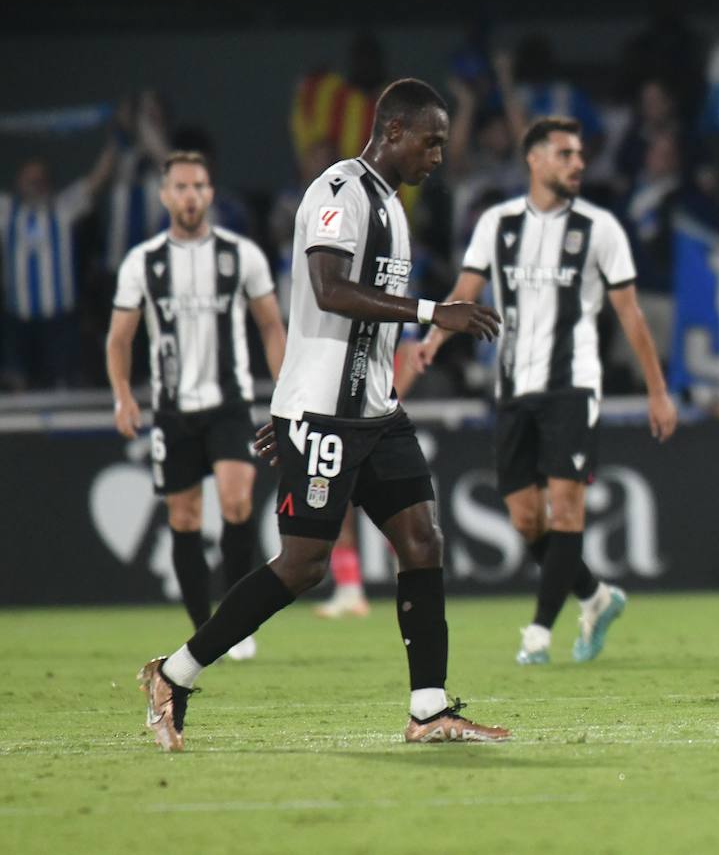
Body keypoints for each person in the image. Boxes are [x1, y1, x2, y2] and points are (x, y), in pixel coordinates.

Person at [137, 79, 508, 751]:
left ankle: (428, 711)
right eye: (430, 142)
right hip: (327, 415)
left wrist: (292, 408)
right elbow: (331, 290)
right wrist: (432, 312)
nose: (437, 156)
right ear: (392, 131)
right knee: (305, 565)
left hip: (372, 410)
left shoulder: (394, 207)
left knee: (422, 542)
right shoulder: (339, 192)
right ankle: (173, 673)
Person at [416, 116, 678, 666]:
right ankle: (597, 597)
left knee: (565, 512)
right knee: (526, 519)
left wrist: (658, 391)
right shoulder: (498, 223)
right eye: (565, 154)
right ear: (534, 160)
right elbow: (467, 288)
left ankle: (538, 632)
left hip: (572, 385)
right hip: (513, 387)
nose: (578, 163)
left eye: (580, 154)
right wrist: (434, 338)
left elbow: (629, 314)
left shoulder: (600, 228)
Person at [108, 151, 286, 660]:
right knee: (184, 518)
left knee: (237, 501)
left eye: (199, 186)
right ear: (165, 195)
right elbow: (120, 338)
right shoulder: (143, 262)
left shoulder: (239, 255)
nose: (190, 196)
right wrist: (123, 395)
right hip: (171, 410)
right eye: (181, 187)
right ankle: (203, 627)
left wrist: (285, 388)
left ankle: (236, 621)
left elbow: (271, 324)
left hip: (229, 403)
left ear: (210, 193)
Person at [1, 145, 116, 389]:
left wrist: (116, 141)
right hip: (18, 323)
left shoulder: (63, 207)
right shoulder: (7, 212)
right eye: (29, 178)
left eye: (40, 178)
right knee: (17, 388)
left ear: (50, 182)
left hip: (60, 323)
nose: (35, 183)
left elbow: (97, 180)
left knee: (64, 386)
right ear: (19, 181)